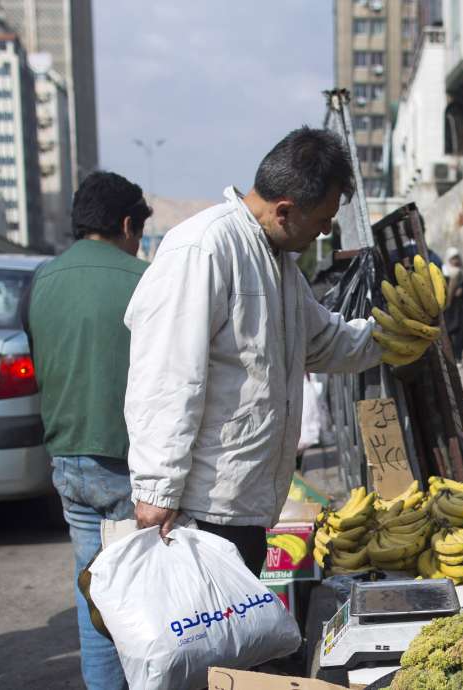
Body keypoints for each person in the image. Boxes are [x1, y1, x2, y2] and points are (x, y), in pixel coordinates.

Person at [124, 127, 393, 575]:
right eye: (323, 219)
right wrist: (156, 491)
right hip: (199, 509)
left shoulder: (279, 263)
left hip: (245, 502)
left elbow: (322, 341)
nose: (326, 231)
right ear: (285, 210)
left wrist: (391, 335)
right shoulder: (204, 248)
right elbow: (165, 376)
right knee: (202, 638)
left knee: (232, 636)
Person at [22, 171, 152, 690]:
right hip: (128, 466)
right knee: (145, 600)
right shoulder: (143, 278)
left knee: (93, 591)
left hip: (68, 460)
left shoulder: (42, 279)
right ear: (126, 224)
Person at [442, 247, 463, 362]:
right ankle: (450, 358)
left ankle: (459, 357)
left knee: (460, 334)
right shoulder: (444, 273)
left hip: (460, 308)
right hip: (448, 308)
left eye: (457, 258)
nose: (456, 261)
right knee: (447, 334)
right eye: (453, 259)